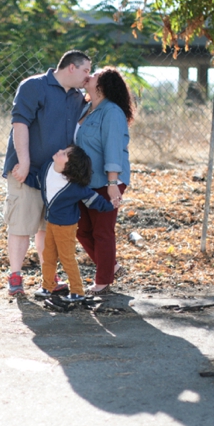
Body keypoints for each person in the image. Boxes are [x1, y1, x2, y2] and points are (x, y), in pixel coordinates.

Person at [2, 49, 91, 296]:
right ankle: (15, 276)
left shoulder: (77, 97)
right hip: (27, 171)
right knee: (21, 224)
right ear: (71, 67)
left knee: (47, 229)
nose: (88, 76)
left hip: (57, 176)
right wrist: (25, 161)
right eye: (85, 70)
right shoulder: (34, 86)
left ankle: (48, 277)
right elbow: (19, 123)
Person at [29, 144, 116, 305]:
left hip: (66, 227)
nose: (59, 151)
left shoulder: (74, 186)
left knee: (66, 258)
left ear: (69, 165)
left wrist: (110, 206)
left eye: (64, 153)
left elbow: (93, 199)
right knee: (48, 256)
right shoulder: (47, 168)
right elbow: (37, 180)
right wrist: (21, 174)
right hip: (52, 223)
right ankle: (47, 286)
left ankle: (77, 291)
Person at [75, 66, 135, 293]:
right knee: (81, 229)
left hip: (108, 180)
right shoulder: (87, 108)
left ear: (102, 86)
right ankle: (111, 266)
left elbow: (113, 149)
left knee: (102, 231)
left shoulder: (112, 112)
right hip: (85, 180)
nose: (88, 77)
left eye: (94, 75)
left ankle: (103, 281)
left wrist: (112, 184)